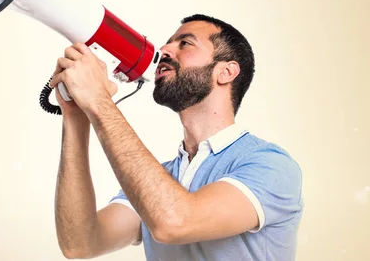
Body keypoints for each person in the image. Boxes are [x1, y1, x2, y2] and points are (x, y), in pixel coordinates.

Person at [50, 14, 303, 261]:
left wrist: (98, 100)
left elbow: (174, 222)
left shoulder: (270, 166)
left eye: (185, 43)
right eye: (169, 42)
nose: (164, 50)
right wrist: (75, 116)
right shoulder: (157, 182)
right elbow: (80, 243)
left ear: (226, 72)